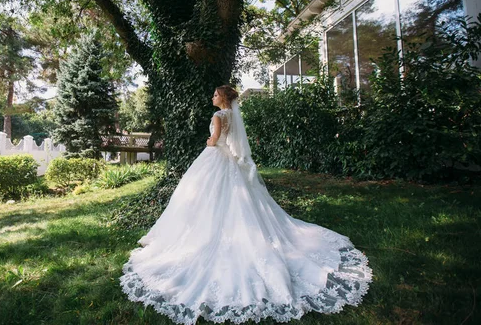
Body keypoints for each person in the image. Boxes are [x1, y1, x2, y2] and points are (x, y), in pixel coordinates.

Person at [120, 85, 372, 324]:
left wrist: (208, 142)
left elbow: (216, 138)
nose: (212, 97)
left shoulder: (219, 115)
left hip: (215, 157)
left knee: (205, 197)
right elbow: (233, 141)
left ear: (223, 98)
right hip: (229, 159)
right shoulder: (231, 115)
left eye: (215, 94)